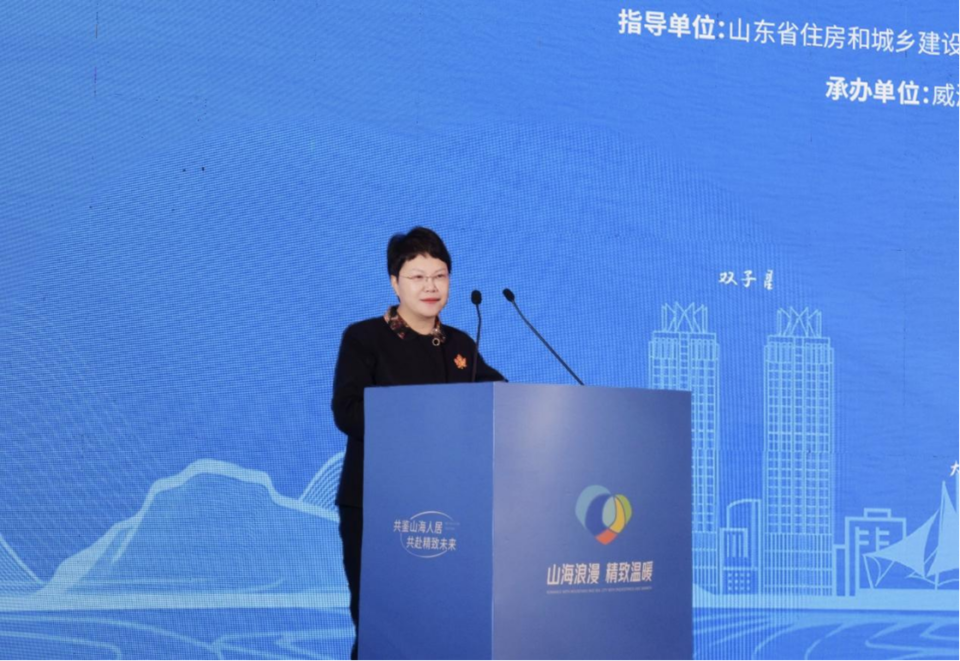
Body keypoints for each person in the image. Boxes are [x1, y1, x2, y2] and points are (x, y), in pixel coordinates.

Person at [331, 227, 504, 660]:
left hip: (450, 508)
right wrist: (422, 417)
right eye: (418, 277)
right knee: (383, 626)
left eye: (440, 276)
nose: (431, 286)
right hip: (378, 504)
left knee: (443, 624)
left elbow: (498, 401)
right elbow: (348, 411)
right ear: (395, 282)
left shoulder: (460, 344)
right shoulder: (364, 338)